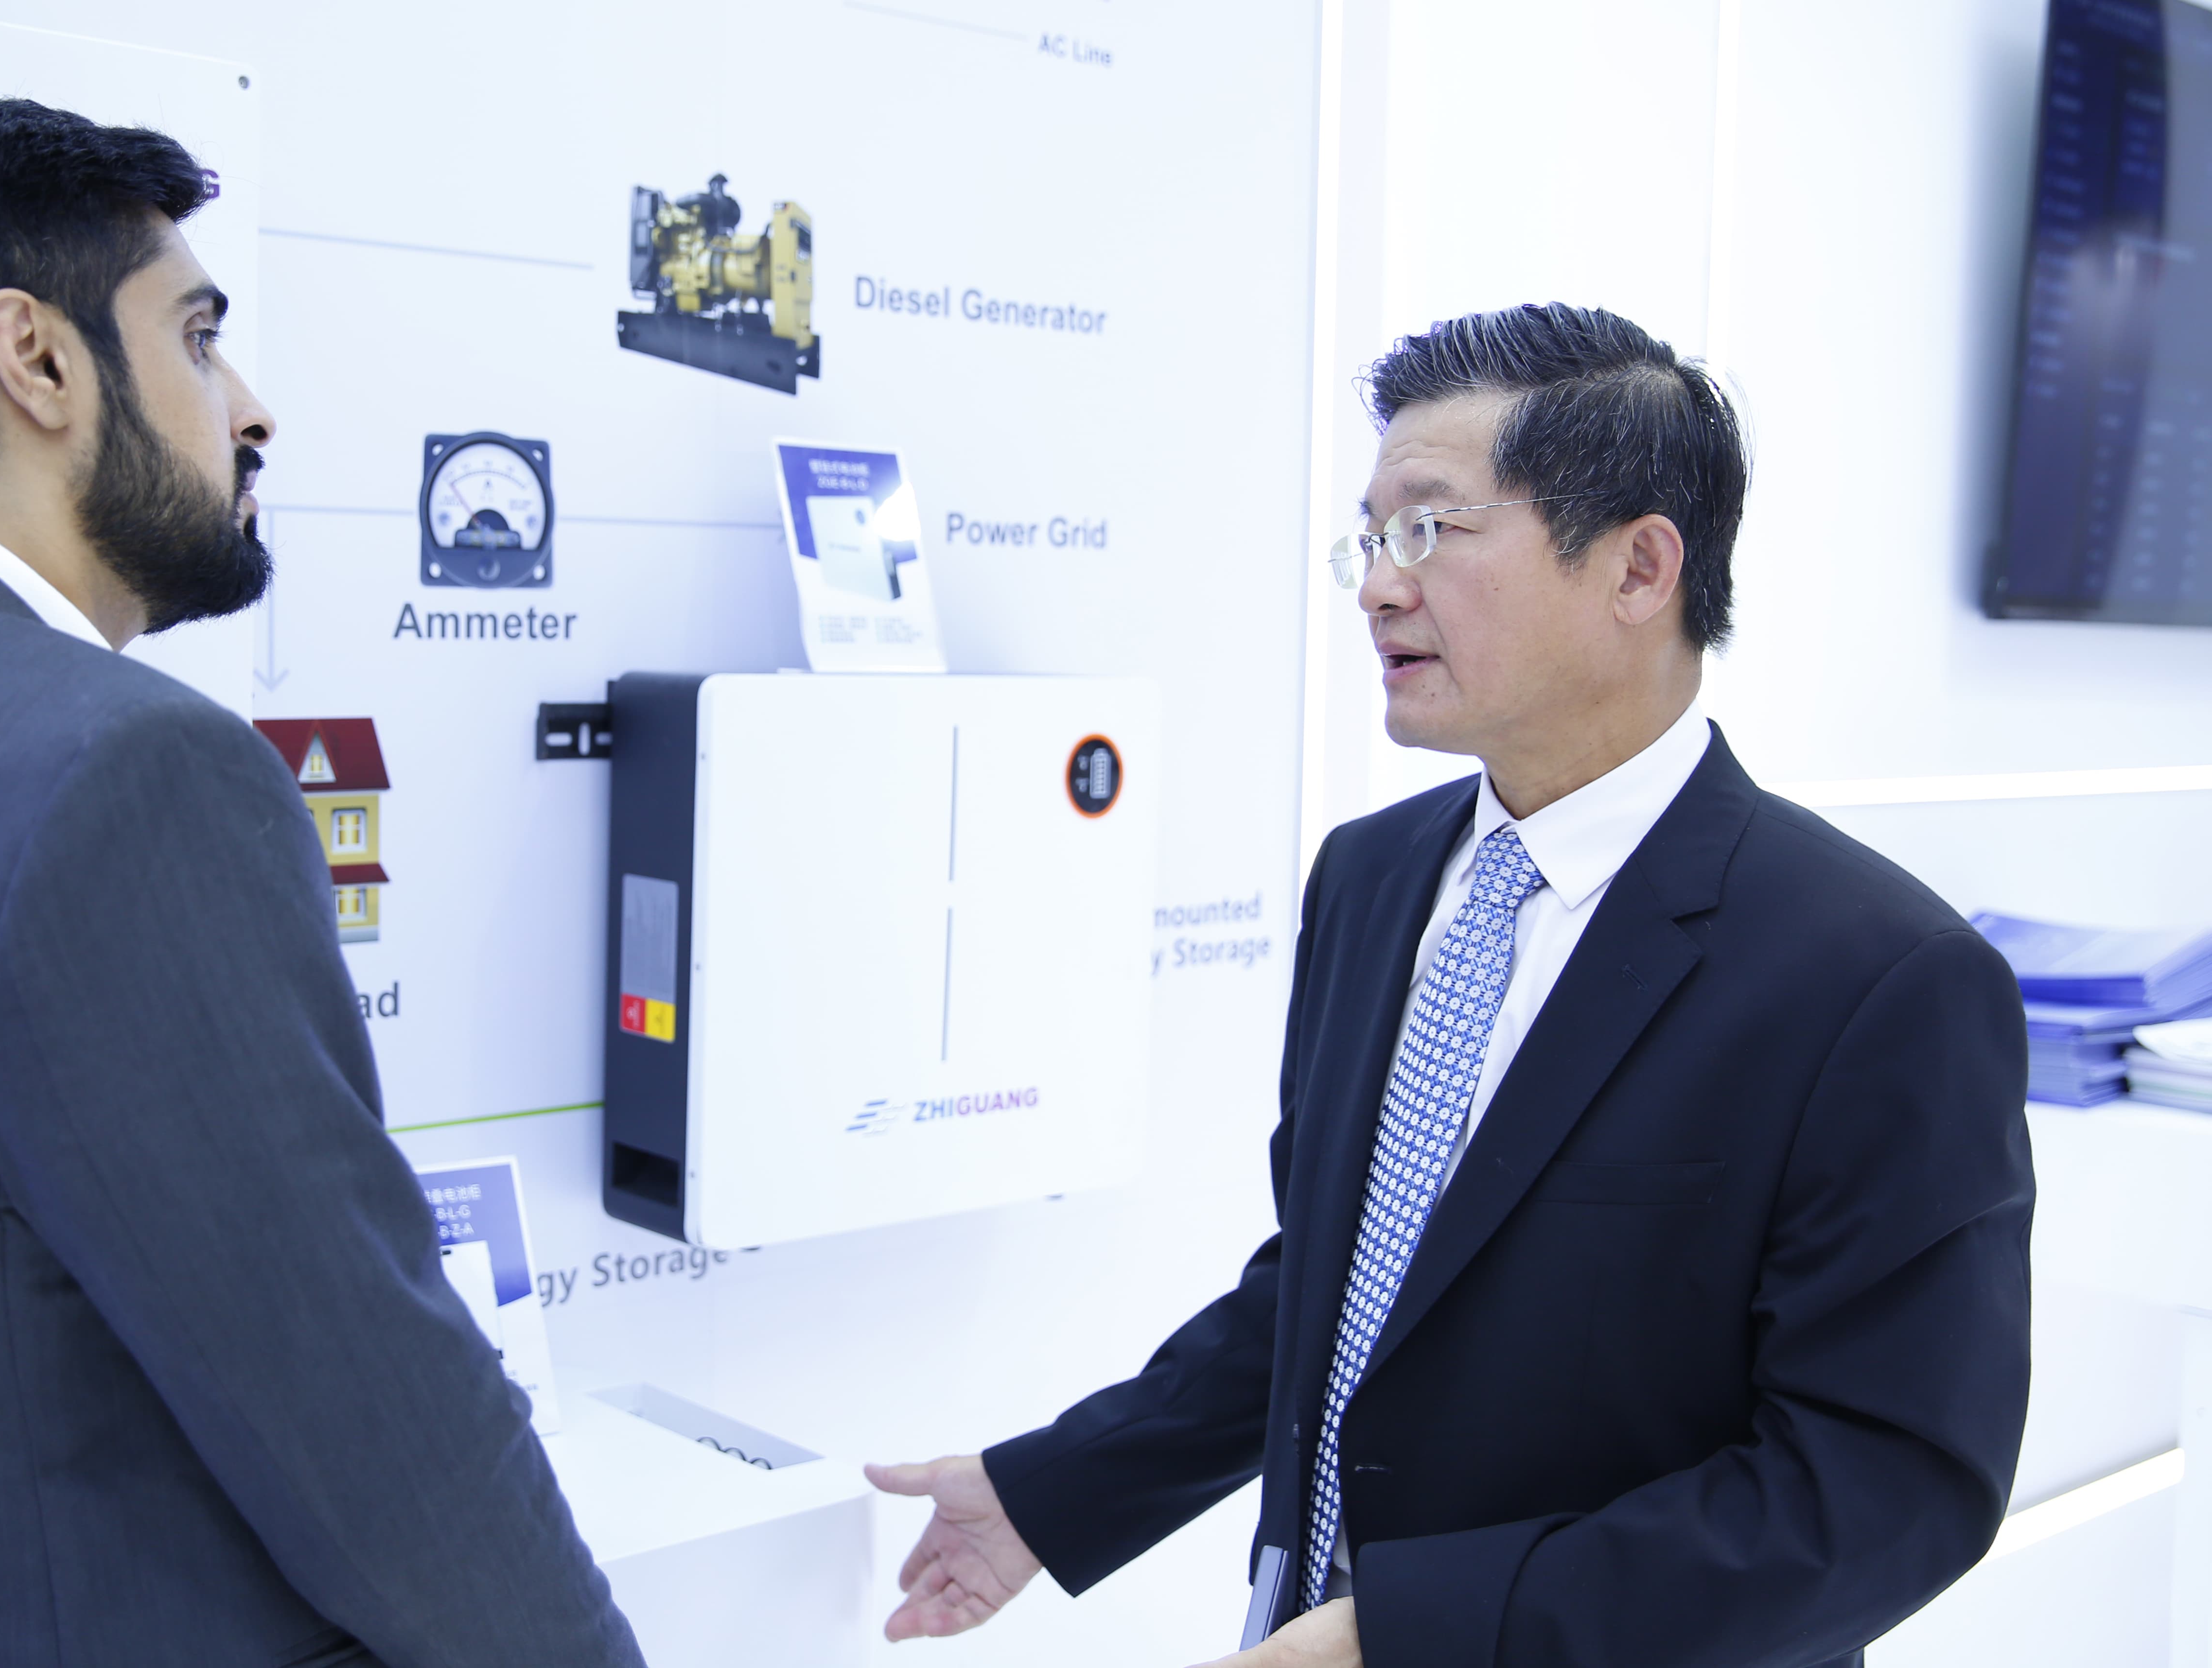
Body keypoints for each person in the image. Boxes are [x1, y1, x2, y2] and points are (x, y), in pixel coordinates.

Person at [0, 98, 641, 1668]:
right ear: (36, 359)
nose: (252, 408)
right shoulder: (133, 776)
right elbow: (392, 1447)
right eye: (200, 338)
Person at [868, 303, 2031, 1668]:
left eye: (1427, 529)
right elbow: (1348, 1283)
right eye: (1369, 538)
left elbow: (1884, 1487)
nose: (1376, 586)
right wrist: (1053, 1494)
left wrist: (1414, 1637)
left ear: (1640, 567)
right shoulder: (1371, 878)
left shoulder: (1878, 976)